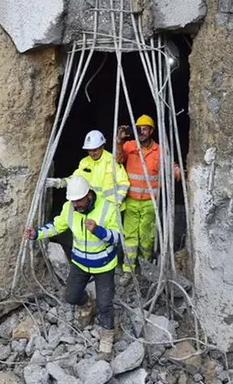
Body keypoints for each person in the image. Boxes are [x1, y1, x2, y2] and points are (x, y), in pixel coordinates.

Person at [24, 176, 121, 355]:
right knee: (71, 296)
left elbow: (118, 238)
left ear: (88, 195)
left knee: (105, 305)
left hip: (104, 265)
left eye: (79, 201)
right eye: (73, 202)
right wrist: (36, 234)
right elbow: (57, 225)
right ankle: (87, 304)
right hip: (80, 263)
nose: (76, 205)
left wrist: (99, 231)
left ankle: (107, 337)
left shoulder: (107, 208)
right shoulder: (69, 208)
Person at [115, 115, 181, 283]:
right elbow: (117, 159)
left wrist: (177, 171)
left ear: (151, 131)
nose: (142, 131)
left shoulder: (159, 150)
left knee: (147, 237)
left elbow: (170, 165)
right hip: (130, 200)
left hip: (150, 202)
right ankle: (128, 270)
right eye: (139, 128)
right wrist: (119, 141)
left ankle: (146, 266)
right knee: (130, 236)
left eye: (145, 128)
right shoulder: (129, 146)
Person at [45, 130, 130, 209]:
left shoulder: (112, 161)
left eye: (95, 150)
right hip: (94, 206)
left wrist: (118, 201)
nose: (92, 153)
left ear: (102, 146)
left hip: (112, 207)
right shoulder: (84, 162)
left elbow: (124, 183)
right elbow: (76, 179)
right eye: (89, 150)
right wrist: (60, 182)